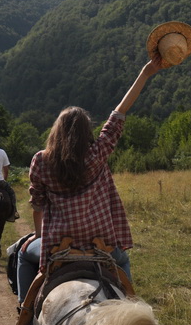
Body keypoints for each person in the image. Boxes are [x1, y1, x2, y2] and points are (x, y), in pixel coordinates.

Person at [15, 56, 163, 305]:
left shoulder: (40, 160)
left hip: (58, 245)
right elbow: (119, 114)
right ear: (87, 132)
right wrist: (146, 72)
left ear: (56, 132)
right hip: (101, 244)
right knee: (123, 260)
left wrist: (38, 235)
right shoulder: (97, 155)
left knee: (21, 255)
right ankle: (128, 307)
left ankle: (25, 312)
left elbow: (38, 205)